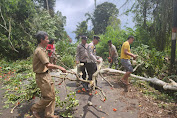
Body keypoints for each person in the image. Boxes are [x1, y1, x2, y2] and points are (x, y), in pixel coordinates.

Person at [31, 31, 66, 118]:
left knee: (53, 95)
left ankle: (49, 114)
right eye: (47, 39)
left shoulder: (43, 49)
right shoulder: (39, 51)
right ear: (42, 40)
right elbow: (48, 65)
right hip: (41, 76)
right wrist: (60, 67)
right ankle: (35, 109)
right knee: (48, 97)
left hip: (46, 75)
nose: (48, 41)